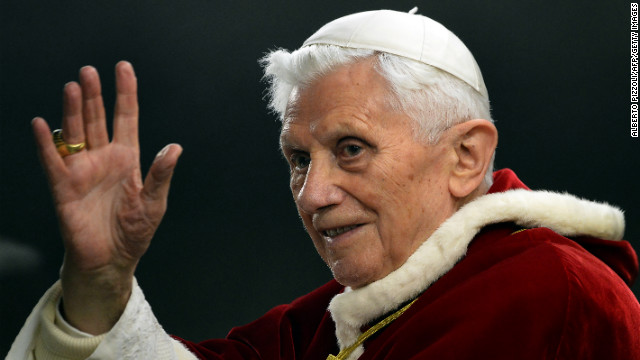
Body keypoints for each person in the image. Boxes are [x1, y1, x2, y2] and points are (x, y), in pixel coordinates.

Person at [7, 8, 640, 360]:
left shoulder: (546, 295)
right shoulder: (335, 319)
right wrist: (102, 283)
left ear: (466, 158)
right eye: (298, 159)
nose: (312, 195)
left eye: (351, 149)